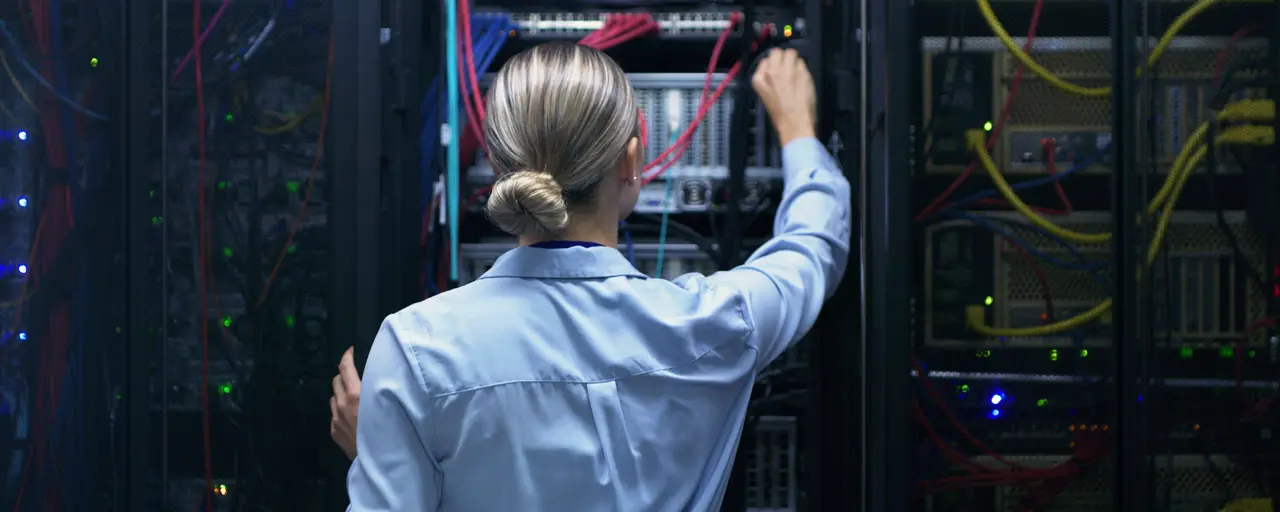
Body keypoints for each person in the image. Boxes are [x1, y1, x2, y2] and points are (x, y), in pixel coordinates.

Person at [334, 41, 850, 511]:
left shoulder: (417, 351)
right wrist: (797, 131)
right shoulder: (719, 324)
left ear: (497, 165)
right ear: (631, 164)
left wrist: (384, 451)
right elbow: (813, 248)